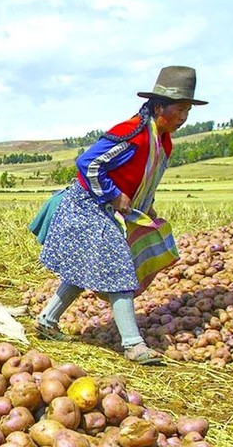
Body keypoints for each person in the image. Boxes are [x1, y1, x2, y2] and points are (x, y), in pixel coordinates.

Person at [34, 65, 206, 365]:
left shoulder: (162, 141)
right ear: (157, 107)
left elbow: (144, 178)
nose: (183, 117)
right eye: (179, 109)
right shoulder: (133, 135)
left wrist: (147, 205)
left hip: (109, 209)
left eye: (187, 111)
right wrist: (114, 194)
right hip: (88, 205)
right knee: (119, 268)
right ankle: (133, 344)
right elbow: (87, 164)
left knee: (84, 267)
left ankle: (47, 320)